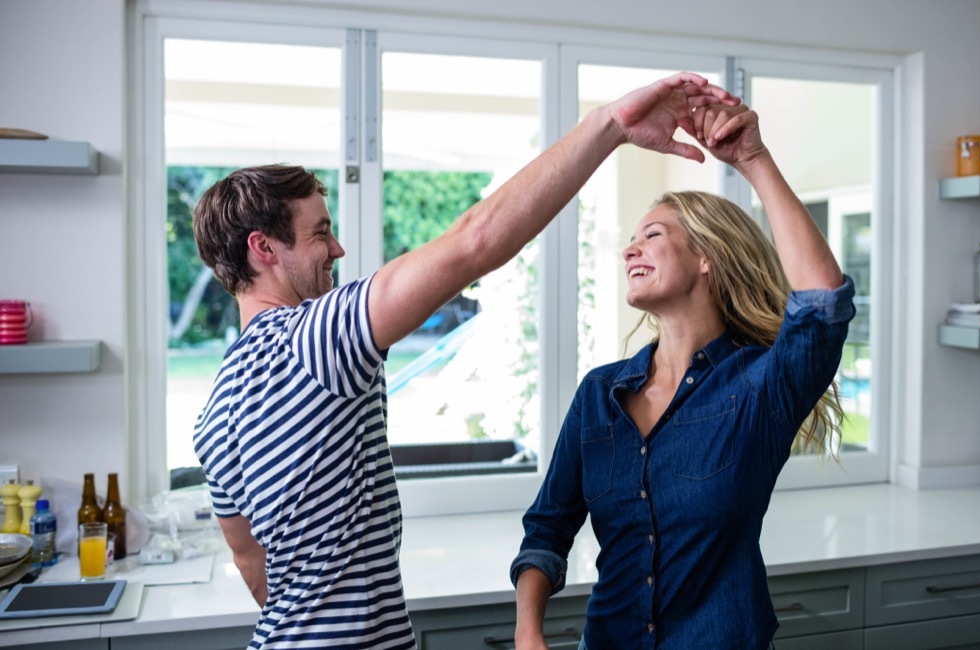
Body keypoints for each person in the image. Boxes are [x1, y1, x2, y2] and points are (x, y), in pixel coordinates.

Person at [190, 72, 738, 649]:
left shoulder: (217, 406)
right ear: (263, 248)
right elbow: (476, 241)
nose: (337, 249)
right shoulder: (313, 339)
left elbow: (254, 567)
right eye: (319, 233)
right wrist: (611, 125)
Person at [510, 102, 856, 649]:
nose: (630, 249)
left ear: (706, 257)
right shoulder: (599, 396)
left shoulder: (758, 390)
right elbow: (548, 528)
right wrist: (529, 631)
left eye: (650, 235)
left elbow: (821, 305)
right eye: (632, 240)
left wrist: (754, 159)